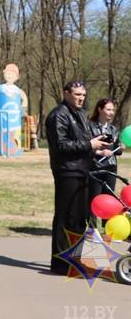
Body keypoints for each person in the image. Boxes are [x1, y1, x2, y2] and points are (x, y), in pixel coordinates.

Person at [45, 80, 111, 275]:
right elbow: (62, 145)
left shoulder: (80, 114)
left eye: (83, 95)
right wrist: (89, 145)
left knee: (79, 219)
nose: (81, 98)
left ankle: (76, 260)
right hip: (67, 172)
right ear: (67, 94)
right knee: (65, 217)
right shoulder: (59, 114)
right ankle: (59, 263)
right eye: (77, 95)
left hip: (83, 169)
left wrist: (97, 149)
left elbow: (83, 143)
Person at [87, 97, 123, 226]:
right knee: (95, 198)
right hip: (95, 167)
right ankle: (92, 228)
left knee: (109, 199)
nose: (111, 113)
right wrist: (99, 152)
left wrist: (120, 148)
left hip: (111, 168)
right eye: (108, 109)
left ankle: (108, 228)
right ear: (99, 110)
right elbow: (85, 147)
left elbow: (116, 149)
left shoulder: (113, 129)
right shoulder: (89, 127)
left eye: (112, 110)